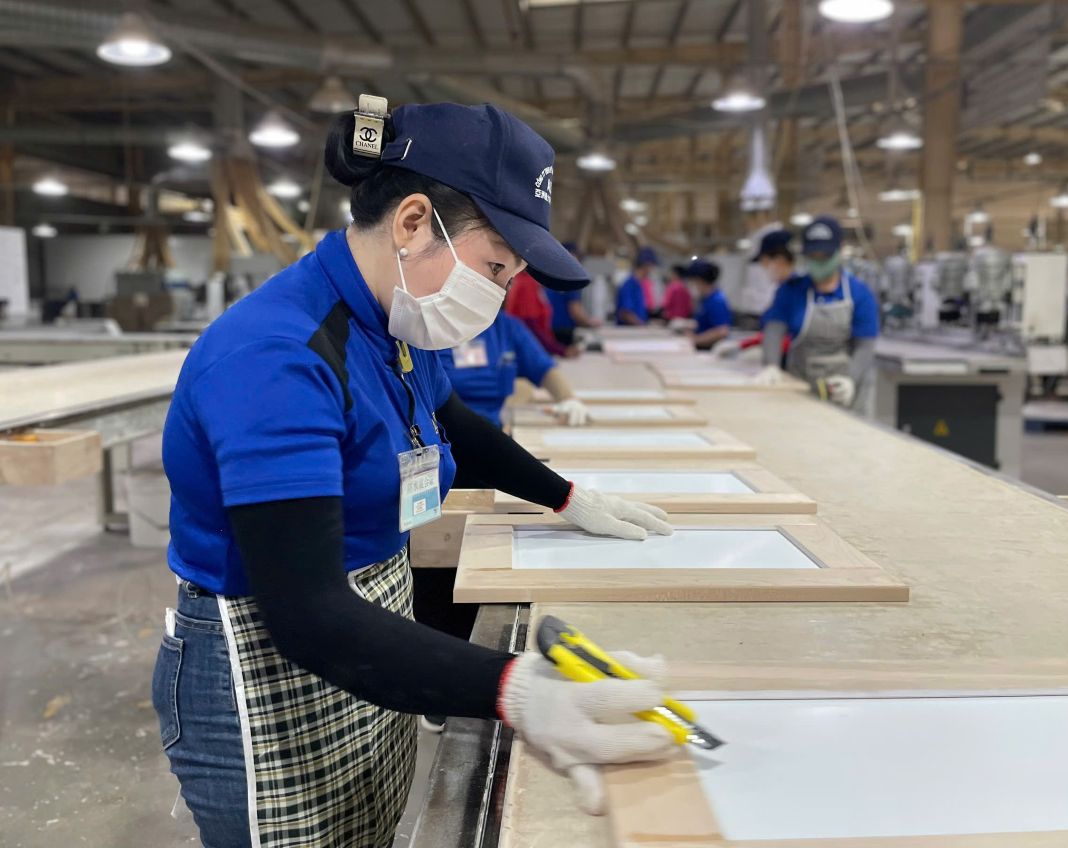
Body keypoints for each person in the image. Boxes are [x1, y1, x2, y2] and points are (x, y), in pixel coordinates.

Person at [154, 100, 677, 848]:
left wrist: (568, 497)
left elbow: (450, 422)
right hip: (268, 657)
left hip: (371, 629)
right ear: (411, 223)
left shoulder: (393, 316)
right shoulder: (276, 358)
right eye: (495, 266)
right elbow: (305, 613)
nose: (497, 298)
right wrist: (515, 689)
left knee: (368, 829)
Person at [755, 216, 880, 409]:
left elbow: (865, 346)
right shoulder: (792, 290)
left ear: (840, 251)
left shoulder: (859, 294)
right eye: (813, 256)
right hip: (800, 386)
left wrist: (850, 380)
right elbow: (773, 330)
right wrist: (771, 365)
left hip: (845, 388)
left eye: (825, 256)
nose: (818, 261)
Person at [439, 308, 590, 429]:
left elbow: (543, 368)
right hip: (444, 435)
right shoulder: (435, 332)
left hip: (491, 431)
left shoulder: (506, 327)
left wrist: (568, 398)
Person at [715, 229, 797, 358]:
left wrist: (761, 349)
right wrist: (744, 344)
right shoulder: (783, 290)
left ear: (780, 260)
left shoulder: (797, 290)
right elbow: (772, 331)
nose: (763, 268)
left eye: (764, 263)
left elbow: (796, 336)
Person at [505, 267, 572, 356]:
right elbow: (532, 329)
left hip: (532, 349)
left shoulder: (527, 282)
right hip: (529, 351)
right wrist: (560, 350)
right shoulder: (526, 285)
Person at [546, 242, 602, 345]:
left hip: (548, 328)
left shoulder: (549, 275)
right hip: (564, 331)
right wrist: (590, 322)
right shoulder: (571, 278)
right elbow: (575, 310)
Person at [683, 259, 732, 351]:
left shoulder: (717, 301)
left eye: (692, 282)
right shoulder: (705, 299)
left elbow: (722, 331)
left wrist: (696, 340)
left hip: (710, 351)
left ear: (700, 281)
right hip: (702, 348)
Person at [616, 246, 659, 325]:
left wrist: (649, 322)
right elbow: (626, 314)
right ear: (646, 265)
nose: (652, 270)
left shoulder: (638, 285)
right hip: (628, 334)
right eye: (652, 266)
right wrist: (644, 326)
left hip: (636, 331)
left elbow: (639, 313)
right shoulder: (629, 285)